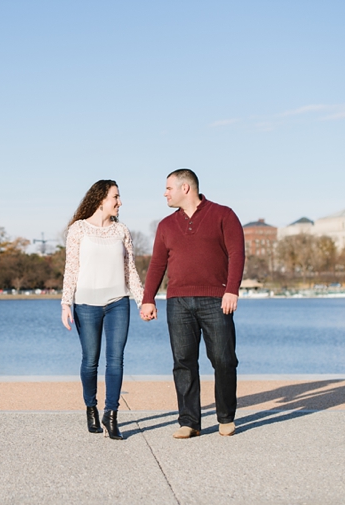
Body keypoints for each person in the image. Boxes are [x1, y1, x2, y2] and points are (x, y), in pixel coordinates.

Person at [140, 169, 244, 439]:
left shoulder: (224, 215)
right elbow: (157, 265)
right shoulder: (165, 225)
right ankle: (189, 422)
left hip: (216, 299)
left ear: (185, 188)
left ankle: (225, 417)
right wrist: (148, 298)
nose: (165, 193)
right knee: (183, 361)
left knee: (223, 359)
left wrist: (232, 290)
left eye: (168, 188)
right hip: (178, 302)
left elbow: (236, 253)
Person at [61, 179, 144, 440]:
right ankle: (91, 407)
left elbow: (130, 269)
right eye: (115, 197)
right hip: (86, 304)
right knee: (90, 361)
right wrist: (65, 303)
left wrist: (143, 301)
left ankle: (111, 414)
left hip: (118, 302)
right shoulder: (78, 229)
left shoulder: (122, 231)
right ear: (100, 200)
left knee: (116, 359)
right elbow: (71, 268)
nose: (120, 202)